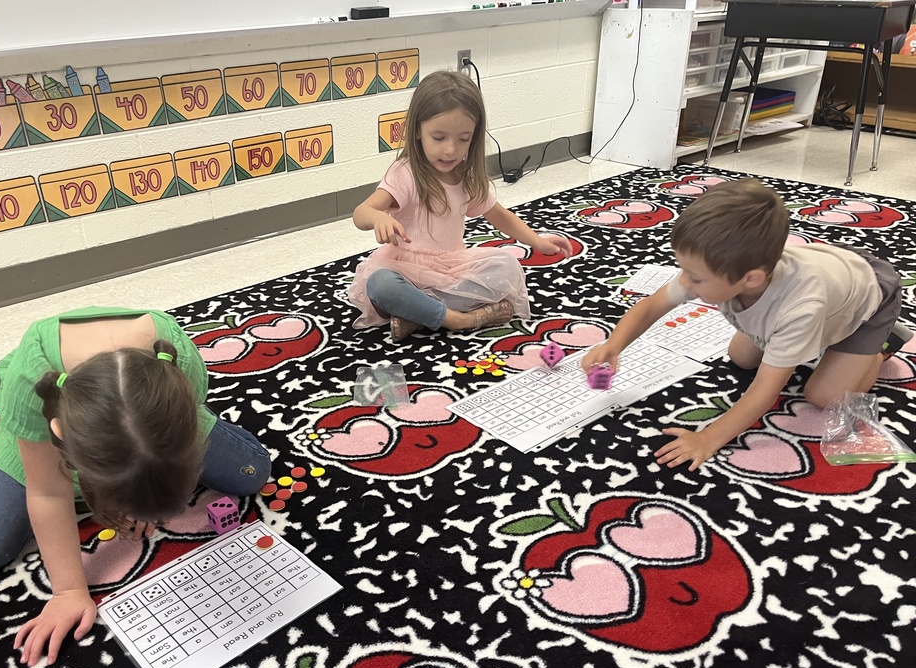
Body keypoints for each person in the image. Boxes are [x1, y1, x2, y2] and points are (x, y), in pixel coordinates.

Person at [0, 307, 271, 666]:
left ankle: (146, 452)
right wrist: (69, 591)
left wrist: (140, 491)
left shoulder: (177, 356)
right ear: (63, 435)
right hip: (36, 434)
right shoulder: (32, 385)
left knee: (248, 473)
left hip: (157, 413)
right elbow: (48, 491)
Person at [581, 178, 912, 471]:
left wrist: (709, 438)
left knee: (823, 396)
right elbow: (651, 306)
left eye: (695, 278)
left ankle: (880, 347)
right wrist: (613, 345)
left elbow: (766, 390)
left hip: (870, 296)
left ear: (750, 278)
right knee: (741, 357)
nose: (685, 283)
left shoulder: (798, 308)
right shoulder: (717, 270)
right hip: (834, 270)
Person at [349, 69, 573, 342]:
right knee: (380, 285)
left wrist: (537, 242)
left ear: (474, 137)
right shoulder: (405, 173)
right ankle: (458, 319)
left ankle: (418, 314)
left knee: (506, 265)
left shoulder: (466, 177)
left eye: (463, 139)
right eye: (439, 137)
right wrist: (377, 218)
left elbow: (499, 216)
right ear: (417, 131)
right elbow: (361, 213)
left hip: (451, 271)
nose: (450, 150)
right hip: (405, 271)